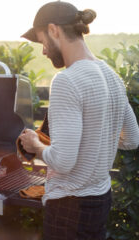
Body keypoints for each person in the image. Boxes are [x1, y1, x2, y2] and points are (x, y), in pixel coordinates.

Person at [19, 1, 139, 239]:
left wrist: (35, 146)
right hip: (100, 201)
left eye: (42, 41)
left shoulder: (67, 80)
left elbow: (62, 162)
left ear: (54, 30)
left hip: (68, 208)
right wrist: (96, 139)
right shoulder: (112, 77)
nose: (43, 51)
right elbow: (132, 140)